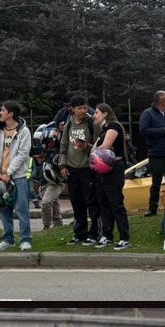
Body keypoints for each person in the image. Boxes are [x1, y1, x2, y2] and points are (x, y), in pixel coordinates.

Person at [57, 94, 99, 247]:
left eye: (85, 107)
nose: (83, 111)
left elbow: (98, 146)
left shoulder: (92, 123)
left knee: (91, 203)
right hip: (72, 169)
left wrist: (86, 146)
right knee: (76, 202)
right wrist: (62, 165)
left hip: (88, 168)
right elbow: (63, 147)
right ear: (72, 109)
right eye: (79, 108)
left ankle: (94, 233)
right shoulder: (69, 125)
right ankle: (79, 233)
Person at [0, 100, 33, 252]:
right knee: (3, 208)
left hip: (18, 177)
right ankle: (8, 239)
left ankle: (25, 239)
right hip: (0, 177)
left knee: (22, 209)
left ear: (11, 114)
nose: (0, 113)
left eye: (3, 110)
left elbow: (23, 154)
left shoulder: (24, 131)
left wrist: (9, 172)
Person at [91, 103, 132, 250]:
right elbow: (93, 149)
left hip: (114, 169)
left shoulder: (113, 127)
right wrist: (95, 150)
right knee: (103, 203)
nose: (94, 115)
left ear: (105, 114)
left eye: (96, 112)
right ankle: (107, 235)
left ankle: (124, 237)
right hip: (103, 170)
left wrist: (96, 150)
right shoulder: (103, 129)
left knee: (116, 203)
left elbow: (104, 147)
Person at [138, 90, 165, 218]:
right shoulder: (147, 113)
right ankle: (152, 209)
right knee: (156, 182)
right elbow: (143, 130)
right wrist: (162, 131)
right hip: (157, 153)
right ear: (161, 100)